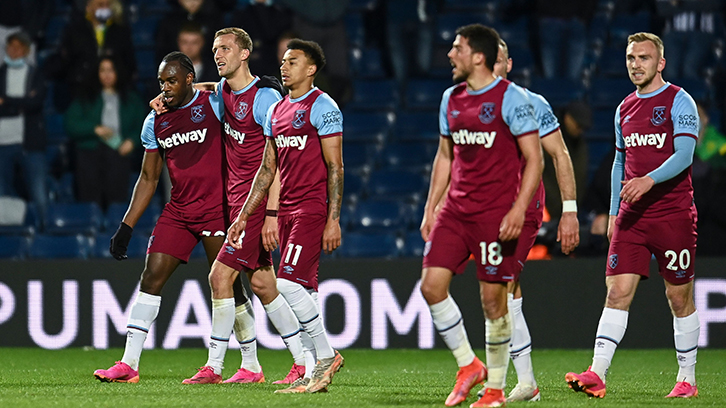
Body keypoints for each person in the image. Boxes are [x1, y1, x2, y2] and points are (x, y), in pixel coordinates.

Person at [93, 51, 253, 383]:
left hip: (218, 210)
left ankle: (247, 364)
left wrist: (214, 87)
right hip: (179, 211)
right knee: (151, 277)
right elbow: (149, 178)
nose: (165, 89)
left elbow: (239, 86)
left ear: (189, 79)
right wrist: (127, 225)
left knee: (228, 287)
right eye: (162, 82)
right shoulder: (155, 120)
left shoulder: (212, 104)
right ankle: (129, 364)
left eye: (172, 81)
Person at [566, 32, 700, 399]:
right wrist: (613, 213)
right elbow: (620, 162)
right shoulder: (624, 107)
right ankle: (597, 373)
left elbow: (685, 155)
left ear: (660, 63)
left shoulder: (678, 101)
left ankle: (687, 379)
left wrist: (648, 180)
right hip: (631, 218)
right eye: (630, 58)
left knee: (678, 297)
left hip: (673, 215)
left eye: (643, 58)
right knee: (617, 292)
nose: (635, 64)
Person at [175, 27, 311, 386]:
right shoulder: (222, 92)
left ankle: (214, 366)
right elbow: (203, 89)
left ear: (244, 54)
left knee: (219, 277)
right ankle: (305, 359)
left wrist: (271, 215)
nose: (218, 55)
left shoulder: (265, 98)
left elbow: (278, 160)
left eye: (225, 49)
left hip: (258, 205)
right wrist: (167, 98)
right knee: (264, 285)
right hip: (237, 203)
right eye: (215, 49)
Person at [419, 24, 542, 408]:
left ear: (478, 57)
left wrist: (519, 209)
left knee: (493, 302)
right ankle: (468, 364)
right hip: (456, 211)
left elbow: (535, 159)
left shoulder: (513, 99)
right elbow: (445, 155)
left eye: (457, 48)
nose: (450, 55)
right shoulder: (450, 98)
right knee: (431, 286)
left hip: (494, 215)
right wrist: (431, 205)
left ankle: (495, 391)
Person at [227, 38, 345, 394]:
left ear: (310, 69)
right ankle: (313, 374)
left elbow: (335, 166)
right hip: (287, 209)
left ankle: (326, 355)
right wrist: (246, 216)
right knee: (305, 290)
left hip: (310, 208)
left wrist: (333, 218)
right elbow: (266, 171)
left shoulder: (323, 107)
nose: (284, 66)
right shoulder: (276, 110)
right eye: (283, 61)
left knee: (288, 284)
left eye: (292, 61)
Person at [468, 38, 579, 403]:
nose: (492, 67)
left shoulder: (532, 103)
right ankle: (525, 382)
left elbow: (560, 155)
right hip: (485, 210)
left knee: (502, 287)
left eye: (498, 61)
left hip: (522, 209)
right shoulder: (467, 103)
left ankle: (501, 383)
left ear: (508, 64)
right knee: (504, 290)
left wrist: (569, 212)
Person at [64, 55, 145, 209]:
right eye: (102, 70)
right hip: (90, 153)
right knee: (90, 201)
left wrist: (132, 141)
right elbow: (70, 124)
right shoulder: (85, 97)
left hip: (119, 152)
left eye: (111, 70)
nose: (107, 75)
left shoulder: (132, 99)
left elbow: (144, 126)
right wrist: (94, 129)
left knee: (117, 202)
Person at [50, 0, 136, 112]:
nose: (104, 8)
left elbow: (130, 63)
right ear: (88, 7)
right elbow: (67, 62)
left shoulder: (121, 31)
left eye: (107, 5)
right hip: (82, 94)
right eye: (100, 5)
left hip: (113, 94)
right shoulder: (74, 31)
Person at [0, 31, 47, 220]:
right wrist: (22, 103)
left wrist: (7, 102)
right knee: (3, 194)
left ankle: (45, 231)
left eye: (18, 47)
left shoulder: (36, 74)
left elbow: (36, 103)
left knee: (39, 193)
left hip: (31, 142)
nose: (13, 51)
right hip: (2, 142)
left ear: (26, 50)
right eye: (10, 47)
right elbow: (28, 103)